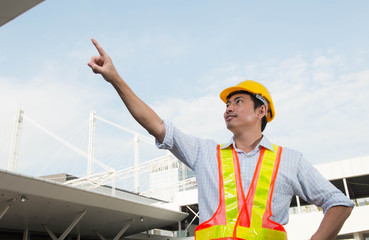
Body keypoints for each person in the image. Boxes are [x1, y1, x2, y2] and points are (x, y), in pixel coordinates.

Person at [88, 38, 354, 240]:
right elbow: (156, 125)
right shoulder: (206, 153)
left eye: (238, 101)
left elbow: (339, 202)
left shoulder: (291, 161)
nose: (228, 108)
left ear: (261, 111)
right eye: (227, 103)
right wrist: (114, 79)